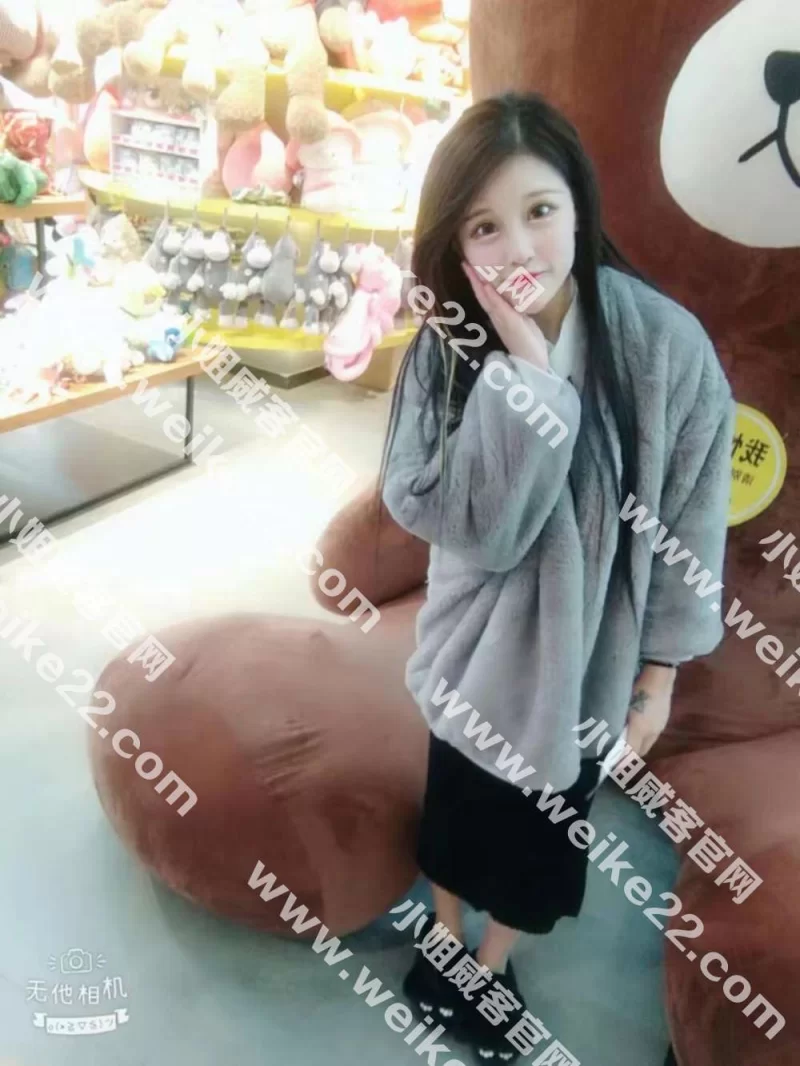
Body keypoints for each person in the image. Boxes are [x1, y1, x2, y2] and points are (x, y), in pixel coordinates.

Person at [378, 92, 734, 1063]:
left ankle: (490, 967)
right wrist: (527, 377)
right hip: (473, 656)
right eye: (483, 227)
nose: (518, 246)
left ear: (577, 203)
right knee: (455, 825)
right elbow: (467, 528)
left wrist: (658, 673)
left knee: (541, 851)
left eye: (539, 210)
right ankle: (443, 944)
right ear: (455, 243)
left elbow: (691, 522)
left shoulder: (664, 346)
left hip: (585, 673)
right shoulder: (446, 347)